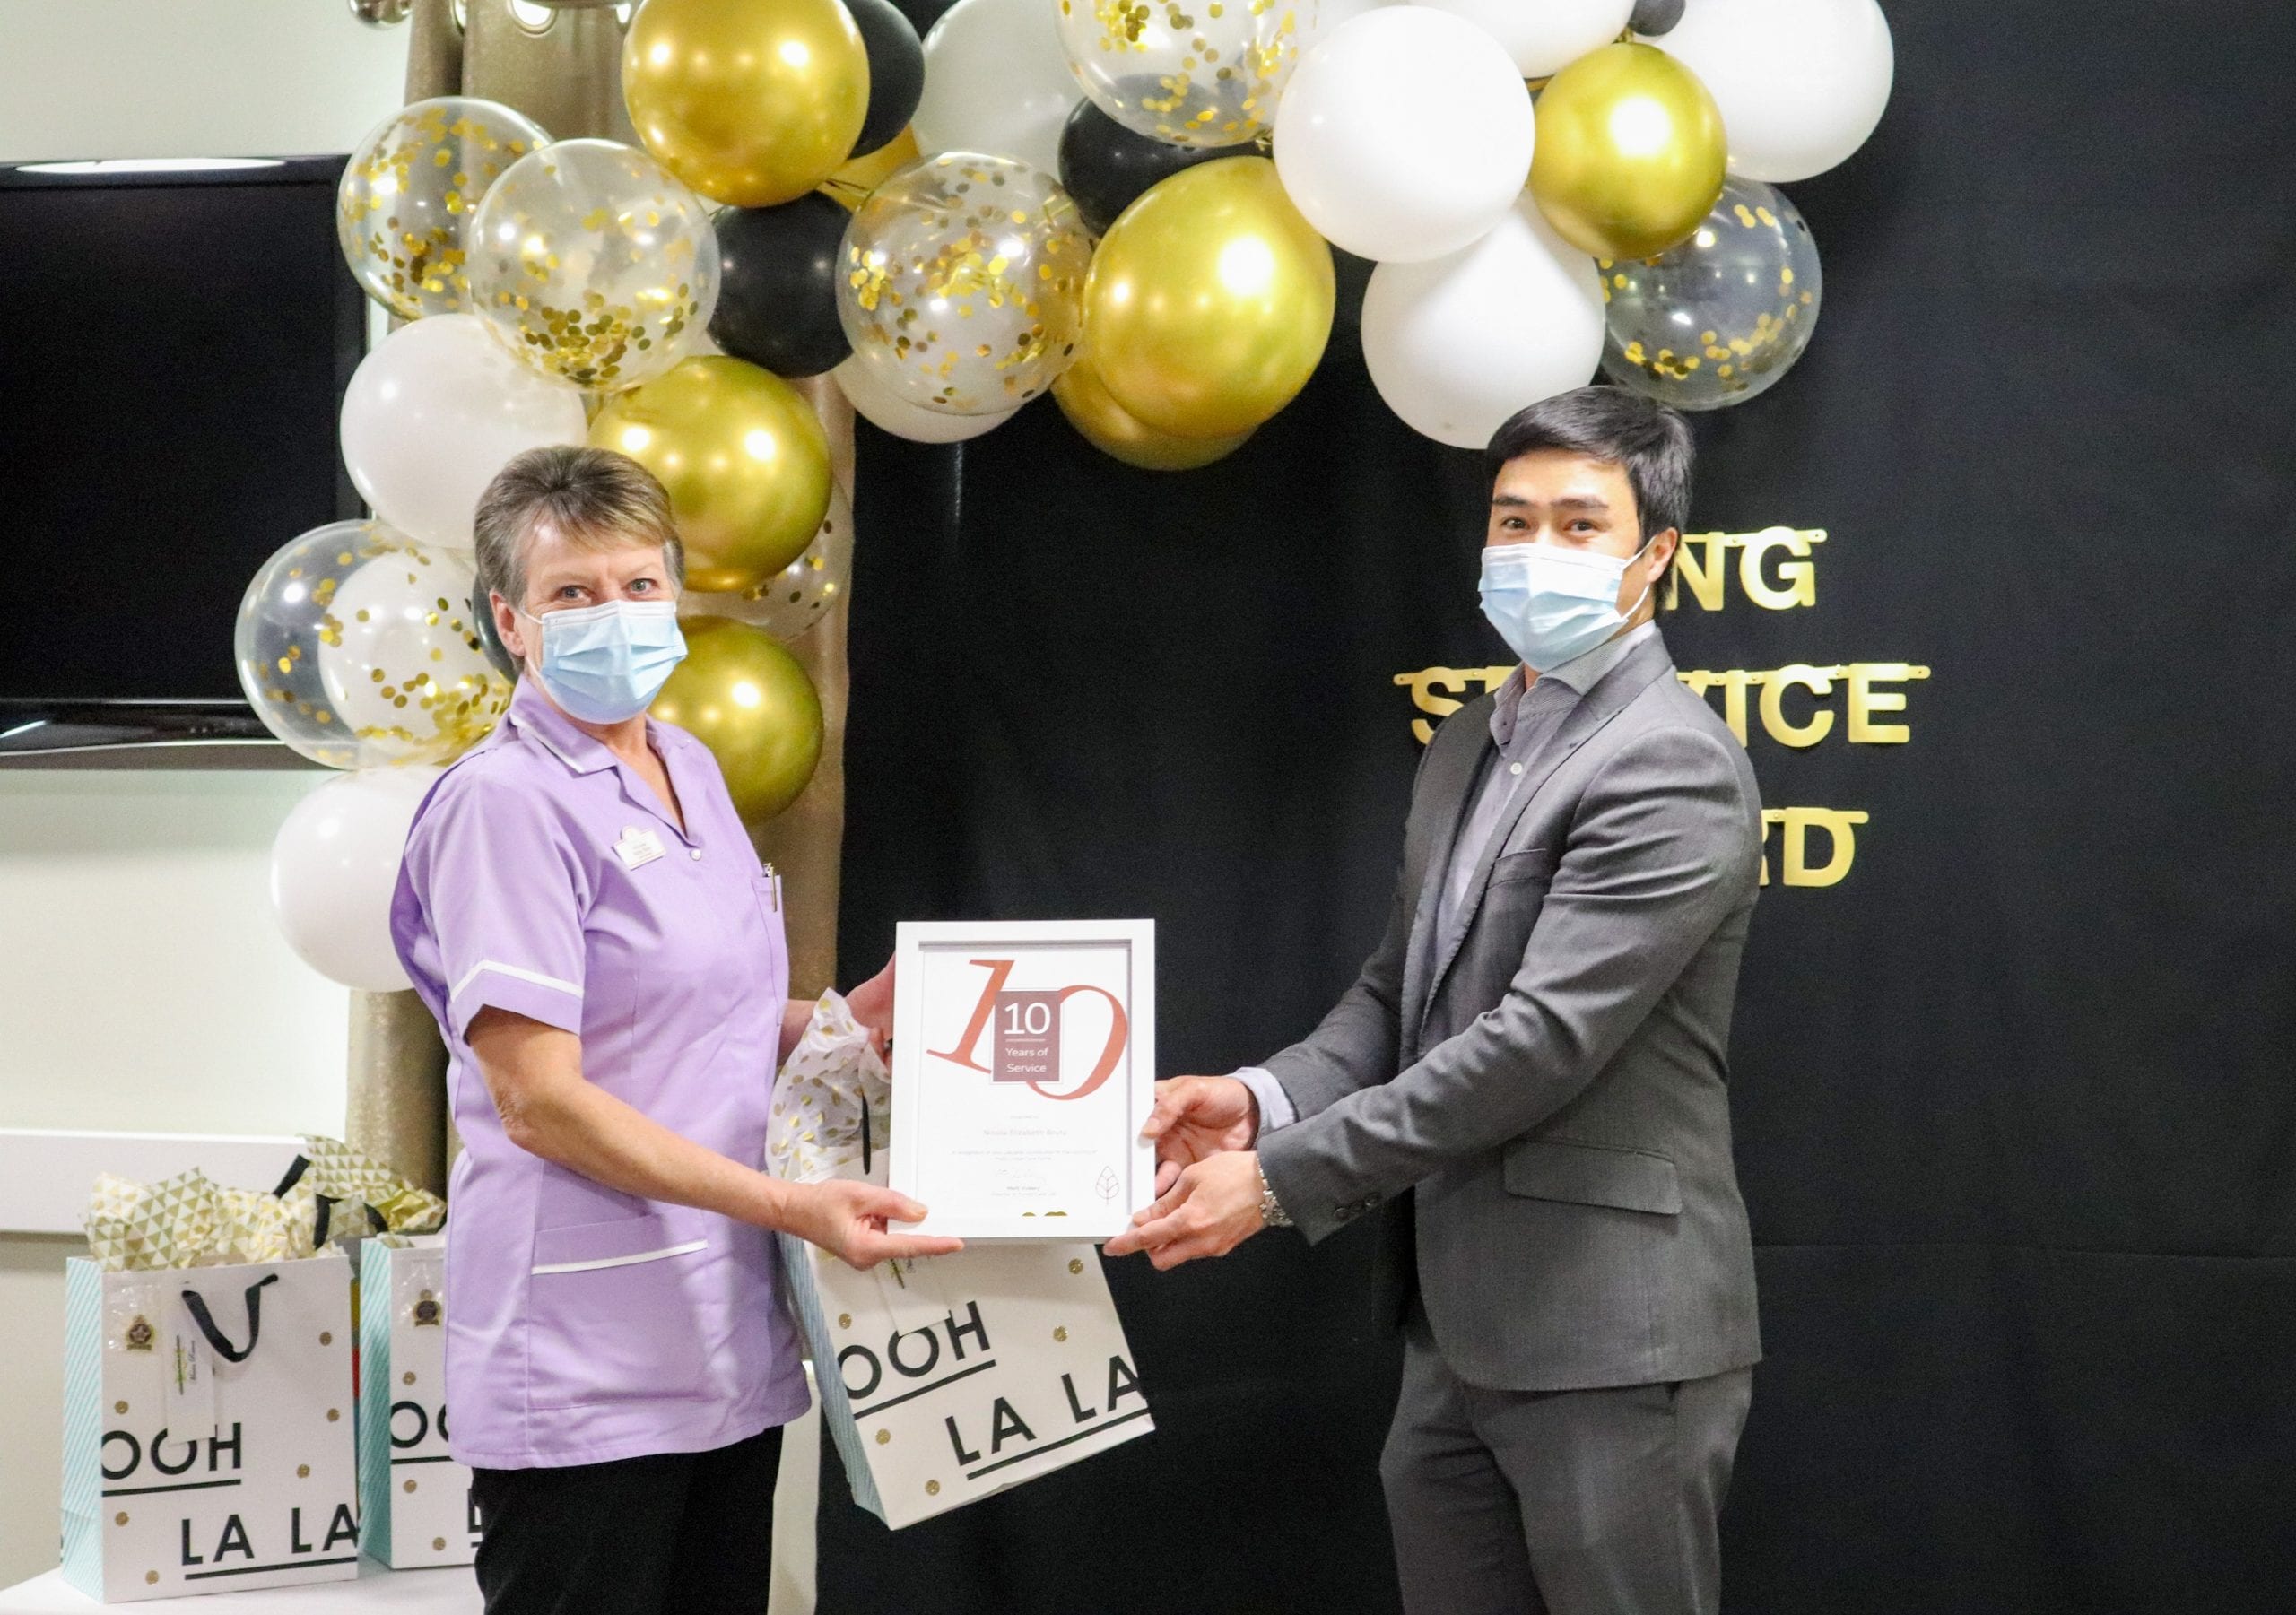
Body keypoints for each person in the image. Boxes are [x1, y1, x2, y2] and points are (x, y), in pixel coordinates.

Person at [1107, 387, 1764, 1614]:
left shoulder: (1670, 762)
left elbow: (1537, 1045)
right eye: (1514, 519)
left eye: (1579, 523)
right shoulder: (1471, 741)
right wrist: (1260, 1099)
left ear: (1656, 554)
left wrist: (1279, 1178)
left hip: (1612, 1335)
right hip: (1456, 1331)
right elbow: (1397, 990)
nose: (1536, 548)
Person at [390, 445, 960, 1615]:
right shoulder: (505, 805)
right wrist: (792, 1205)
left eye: (639, 584)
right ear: (511, 620)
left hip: (720, 1344)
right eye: (572, 592)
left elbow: (700, 1016)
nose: (615, 613)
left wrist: (847, 1020)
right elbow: (538, 1098)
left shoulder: (687, 766)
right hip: (584, 1363)